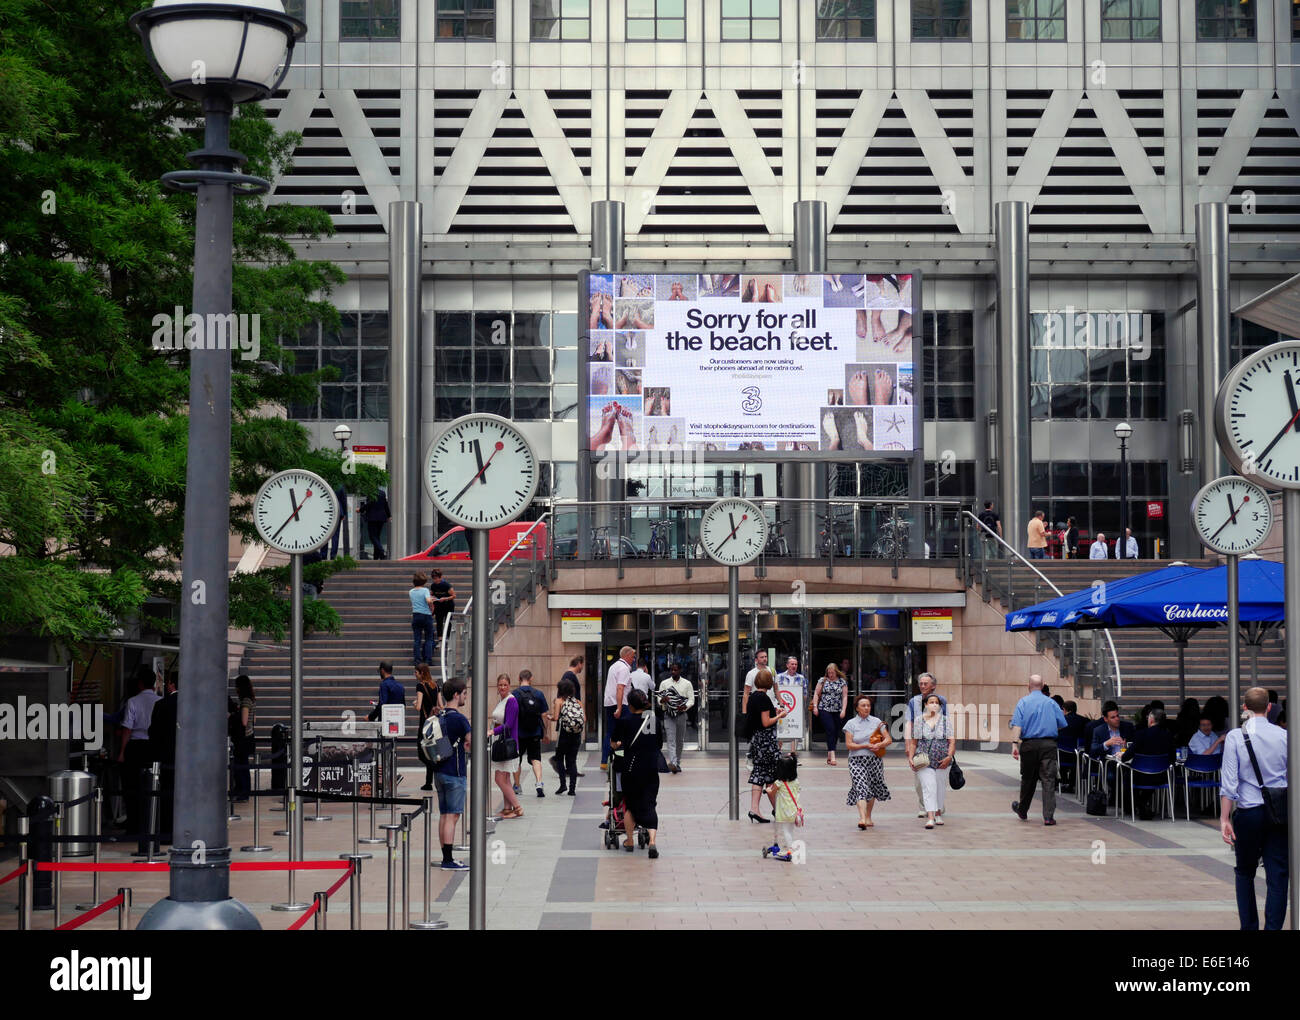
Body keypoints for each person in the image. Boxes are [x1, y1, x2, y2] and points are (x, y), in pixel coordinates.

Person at [1220, 687, 1289, 930]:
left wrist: (1224, 818)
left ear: (1245, 708)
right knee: (1278, 874)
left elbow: (1229, 782)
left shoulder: (1235, 737)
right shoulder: (1284, 736)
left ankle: (1249, 927)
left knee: (1245, 872)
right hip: (1279, 812)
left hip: (1249, 811)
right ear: (1270, 707)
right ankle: (1273, 928)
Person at [610, 689, 663, 857]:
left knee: (631, 806)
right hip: (650, 768)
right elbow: (659, 744)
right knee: (650, 804)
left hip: (631, 769)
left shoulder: (625, 721)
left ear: (630, 705)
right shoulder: (653, 719)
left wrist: (619, 744)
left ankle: (630, 841)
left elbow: (614, 744)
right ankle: (652, 842)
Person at [1009, 674, 1068, 824]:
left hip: (1028, 745)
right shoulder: (1052, 703)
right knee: (1049, 780)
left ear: (1028, 686)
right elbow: (1062, 723)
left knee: (1028, 779)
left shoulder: (1023, 702)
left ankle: (1022, 811)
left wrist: (1014, 744)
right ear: (1042, 686)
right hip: (1048, 745)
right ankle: (1048, 817)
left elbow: (1017, 725)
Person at [117, 665, 161, 855]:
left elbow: (127, 727)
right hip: (153, 746)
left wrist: (122, 751)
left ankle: (133, 826)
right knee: (152, 788)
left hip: (135, 746)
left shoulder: (132, 701)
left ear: (140, 683)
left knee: (131, 787)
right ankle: (151, 825)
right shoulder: (160, 701)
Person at [434, 679, 471, 869]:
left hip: (439, 771)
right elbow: (472, 741)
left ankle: (445, 856)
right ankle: (448, 860)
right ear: (456, 695)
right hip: (455, 772)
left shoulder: (440, 716)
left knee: (444, 815)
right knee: (452, 816)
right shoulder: (459, 719)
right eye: (464, 693)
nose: (465, 696)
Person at [745, 670, 788, 823]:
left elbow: (759, 718)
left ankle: (754, 809)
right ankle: (778, 810)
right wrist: (779, 716)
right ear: (769, 682)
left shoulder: (753, 697)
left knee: (759, 774)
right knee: (771, 775)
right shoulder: (763, 698)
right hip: (766, 742)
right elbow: (766, 722)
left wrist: (773, 711)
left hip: (757, 741)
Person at [842, 694, 891, 829]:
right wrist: (865, 746)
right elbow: (849, 745)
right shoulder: (851, 724)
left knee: (872, 787)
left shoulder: (876, 721)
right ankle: (862, 818)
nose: (866, 708)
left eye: (868, 705)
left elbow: (888, 739)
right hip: (856, 760)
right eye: (863, 705)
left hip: (874, 759)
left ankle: (868, 817)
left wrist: (879, 745)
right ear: (857, 708)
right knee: (860, 786)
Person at [905, 672, 948, 818]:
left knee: (936, 780)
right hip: (919, 746)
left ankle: (935, 807)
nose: (922, 686)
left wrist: (949, 750)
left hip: (938, 748)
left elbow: (946, 723)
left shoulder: (941, 700)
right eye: (921, 683)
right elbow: (908, 723)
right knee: (919, 781)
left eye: (926, 683)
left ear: (933, 686)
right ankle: (924, 805)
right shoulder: (913, 702)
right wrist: (907, 744)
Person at [1121, 706, 1176, 819]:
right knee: (1151, 778)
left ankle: (1134, 806)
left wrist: (1121, 755)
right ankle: (1142, 804)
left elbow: (1126, 757)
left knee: (1126, 776)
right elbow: (1173, 759)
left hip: (1140, 776)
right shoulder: (1168, 735)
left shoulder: (1141, 734)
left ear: (1151, 720)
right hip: (1161, 776)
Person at [910, 693, 954, 829]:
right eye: (931, 702)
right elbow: (913, 742)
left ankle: (938, 813)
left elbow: (951, 742)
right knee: (929, 787)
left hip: (942, 761)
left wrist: (949, 756)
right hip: (924, 760)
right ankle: (930, 817)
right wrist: (911, 758)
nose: (934, 704)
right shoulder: (919, 720)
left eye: (936, 702)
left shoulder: (946, 720)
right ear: (926, 705)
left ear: (940, 706)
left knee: (940, 788)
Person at [148, 672, 179, 844]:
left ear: (171, 685)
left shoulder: (161, 705)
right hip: (188, 760)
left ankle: (168, 832)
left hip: (166, 758)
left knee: (167, 795)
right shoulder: (193, 705)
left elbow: (153, 733)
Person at [511, 670, 550, 798]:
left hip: (519, 733)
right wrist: (545, 733)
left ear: (519, 678)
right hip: (535, 732)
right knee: (536, 758)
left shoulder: (514, 694)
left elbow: (511, 715)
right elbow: (544, 715)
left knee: (517, 760)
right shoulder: (538, 694)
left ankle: (517, 785)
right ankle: (539, 783)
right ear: (531, 678)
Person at [1089, 701, 1136, 804]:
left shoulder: (1128, 727)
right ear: (1106, 719)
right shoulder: (1099, 731)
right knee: (1111, 776)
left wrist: (1127, 747)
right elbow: (1093, 751)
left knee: (1132, 775)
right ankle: (1117, 798)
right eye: (1113, 717)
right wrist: (1106, 744)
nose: (1117, 719)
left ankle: (1127, 801)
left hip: (1126, 763)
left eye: (1117, 716)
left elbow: (1136, 745)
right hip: (1109, 764)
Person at [491, 673, 523, 818]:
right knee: (505, 778)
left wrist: (492, 731)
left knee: (499, 778)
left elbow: (508, 725)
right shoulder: (502, 700)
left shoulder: (511, 701)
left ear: (509, 686)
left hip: (507, 744)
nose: (502, 687)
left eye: (505, 684)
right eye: (500, 685)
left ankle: (517, 807)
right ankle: (507, 809)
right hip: (503, 743)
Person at [547, 677, 583, 795]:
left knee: (559, 759)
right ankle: (572, 789)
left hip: (563, 736)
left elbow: (556, 718)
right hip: (576, 736)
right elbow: (585, 719)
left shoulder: (559, 701)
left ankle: (563, 785)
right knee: (572, 761)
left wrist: (549, 717)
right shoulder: (578, 702)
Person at [657, 662, 695, 773]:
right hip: (668, 715)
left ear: (680, 670)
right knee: (670, 739)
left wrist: (685, 706)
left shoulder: (687, 684)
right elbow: (659, 699)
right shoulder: (664, 683)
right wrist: (662, 700)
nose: (673, 672)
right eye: (672, 670)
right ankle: (673, 763)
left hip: (681, 715)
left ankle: (677, 762)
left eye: (675, 670)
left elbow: (691, 699)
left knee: (679, 740)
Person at [602, 645, 634, 769]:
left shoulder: (613, 666)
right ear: (626, 656)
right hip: (620, 703)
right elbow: (620, 688)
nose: (633, 659)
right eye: (632, 656)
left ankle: (604, 761)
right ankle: (620, 761)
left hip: (609, 703)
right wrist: (619, 708)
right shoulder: (624, 668)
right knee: (623, 733)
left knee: (610, 732)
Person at [810, 663, 848, 766]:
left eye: (832, 673)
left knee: (835, 732)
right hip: (824, 709)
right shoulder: (822, 680)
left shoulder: (842, 682)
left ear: (836, 672)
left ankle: (829, 753)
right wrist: (815, 707)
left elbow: (844, 697)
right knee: (830, 729)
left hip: (837, 709)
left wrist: (843, 710)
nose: (830, 674)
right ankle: (833, 756)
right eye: (829, 673)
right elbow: (816, 694)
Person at [414, 663, 441, 790]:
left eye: (416, 672)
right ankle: (428, 783)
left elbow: (419, 706)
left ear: (421, 673)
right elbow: (441, 705)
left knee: (421, 754)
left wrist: (415, 703)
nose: (415, 674)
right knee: (431, 751)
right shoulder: (435, 685)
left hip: (424, 724)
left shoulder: (420, 686)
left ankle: (436, 769)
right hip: (434, 723)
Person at [776, 656, 807, 754]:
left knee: (795, 729)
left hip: (796, 708)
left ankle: (793, 753)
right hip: (783, 708)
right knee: (781, 728)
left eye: (796, 664)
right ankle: (777, 752)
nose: (794, 666)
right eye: (792, 664)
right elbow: (776, 691)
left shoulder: (801, 678)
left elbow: (805, 694)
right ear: (787, 665)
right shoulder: (779, 677)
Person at [408, 572, 435, 667]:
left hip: (416, 615)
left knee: (417, 640)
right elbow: (428, 601)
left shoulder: (411, 591)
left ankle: (417, 660)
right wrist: (432, 606)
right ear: (423, 581)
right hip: (426, 615)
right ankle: (428, 660)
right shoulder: (425, 590)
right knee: (429, 638)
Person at [360, 487, 391, 559]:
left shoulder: (371, 494)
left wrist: (360, 509)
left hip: (372, 518)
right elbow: (385, 504)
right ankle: (376, 557)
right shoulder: (382, 493)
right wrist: (389, 515)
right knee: (377, 537)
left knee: (372, 537)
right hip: (381, 518)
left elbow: (368, 504)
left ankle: (381, 551)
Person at [428, 569, 455, 649]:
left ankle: (449, 639)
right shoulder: (433, 585)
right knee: (439, 622)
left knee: (448, 622)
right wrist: (432, 598)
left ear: (440, 577)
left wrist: (445, 598)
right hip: (438, 606)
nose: (435, 580)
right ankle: (440, 641)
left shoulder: (446, 585)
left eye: (437, 578)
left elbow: (454, 596)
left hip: (448, 605)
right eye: (434, 578)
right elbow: (431, 594)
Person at [740, 650, 769, 715]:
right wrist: (744, 712)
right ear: (756, 660)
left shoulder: (772, 671)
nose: (764, 659)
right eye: (762, 657)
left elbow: (776, 689)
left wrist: (781, 704)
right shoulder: (751, 673)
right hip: (757, 707)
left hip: (770, 706)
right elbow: (746, 694)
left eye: (765, 656)